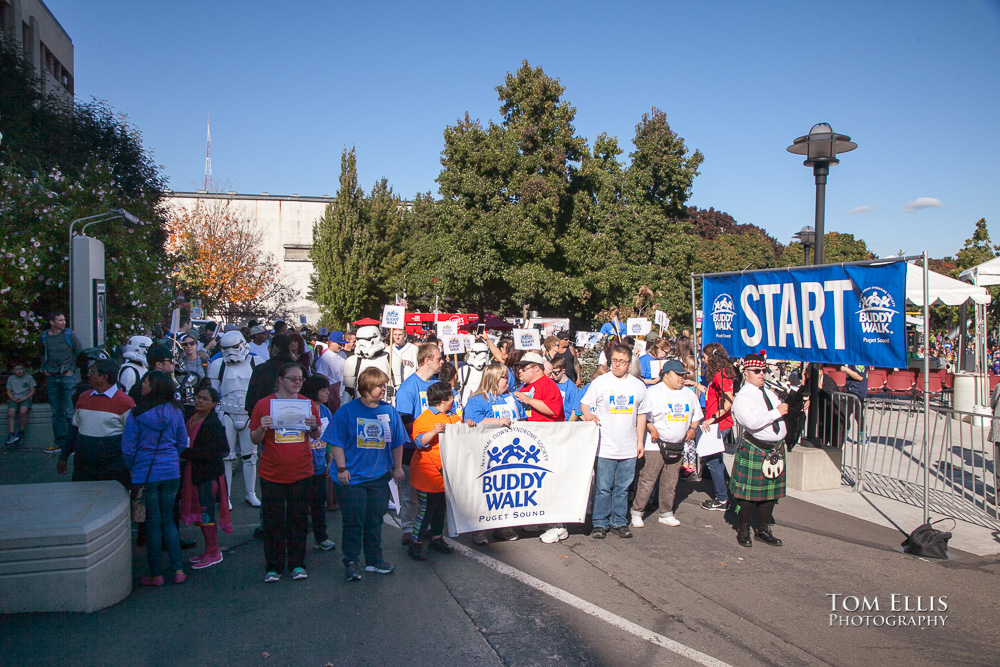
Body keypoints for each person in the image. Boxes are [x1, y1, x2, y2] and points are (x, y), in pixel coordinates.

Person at [324, 367, 407, 581]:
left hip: (379, 477)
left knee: (374, 519)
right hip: (353, 478)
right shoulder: (347, 411)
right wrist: (342, 468)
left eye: (384, 385)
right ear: (367, 387)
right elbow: (336, 442)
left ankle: (374, 560)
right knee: (353, 521)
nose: (384, 389)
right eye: (380, 386)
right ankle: (351, 562)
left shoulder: (389, 411)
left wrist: (397, 467)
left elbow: (397, 441)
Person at [249, 362, 322, 582]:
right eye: (293, 378)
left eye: (301, 379)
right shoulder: (264, 404)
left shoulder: (308, 404)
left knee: (298, 520)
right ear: (280, 379)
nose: (298, 382)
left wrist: (313, 426)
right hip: (272, 472)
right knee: (273, 522)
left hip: (301, 471)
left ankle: (297, 564)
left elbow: (317, 435)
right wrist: (262, 428)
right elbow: (253, 438)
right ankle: (274, 566)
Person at [122, 370, 188, 586]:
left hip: (145, 472)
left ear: (154, 386)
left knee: (152, 523)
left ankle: (156, 574)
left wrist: (133, 468)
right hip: (170, 470)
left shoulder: (136, 413)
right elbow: (181, 442)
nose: (142, 384)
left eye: (146, 381)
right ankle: (178, 570)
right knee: (169, 519)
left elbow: (129, 448)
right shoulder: (176, 411)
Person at [581, 344, 649, 540]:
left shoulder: (638, 386)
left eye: (622, 362)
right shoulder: (600, 382)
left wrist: (640, 442)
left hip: (628, 446)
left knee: (623, 487)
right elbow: (585, 403)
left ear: (629, 363)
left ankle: (619, 521)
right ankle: (599, 523)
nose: (617, 365)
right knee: (603, 488)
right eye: (615, 361)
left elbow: (642, 415)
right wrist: (588, 414)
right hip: (605, 446)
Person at [730, 353, 793, 548]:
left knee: (769, 494)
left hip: (775, 449)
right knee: (748, 496)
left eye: (763, 370)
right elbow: (751, 422)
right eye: (757, 371)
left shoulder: (770, 392)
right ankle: (743, 529)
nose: (761, 374)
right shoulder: (742, 397)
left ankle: (763, 529)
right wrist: (777, 412)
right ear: (746, 373)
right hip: (756, 447)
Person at [630, 360, 702, 528]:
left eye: (683, 375)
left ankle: (666, 512)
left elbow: (696, 414)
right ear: (666, 375)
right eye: (678, 375)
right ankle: (637, 511)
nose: (681, 378)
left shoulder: (688, 394)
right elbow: (642, 415)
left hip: (677, 444)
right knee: (647, 479)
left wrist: (692, 428)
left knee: (671, 480)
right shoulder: (653, 392)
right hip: (655, 445)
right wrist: (651, 428)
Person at [462, 363, 523, 544]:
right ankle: (480, 530)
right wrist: (498, 421)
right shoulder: (478, 399)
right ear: (494, 379)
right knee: (487, 492)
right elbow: (471, 421)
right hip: (488, 454)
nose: (508, 380)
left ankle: (503, 527)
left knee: (508, 491)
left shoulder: (511, 398)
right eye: (504, 377)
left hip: (511, 452)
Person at [512, 351, 567, 544]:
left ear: (537, 368)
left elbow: (554, 410)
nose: (519, 371)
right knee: (535, 481)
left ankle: (558, 526)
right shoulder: (526, 385)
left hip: (548, 440)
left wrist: (529, 400)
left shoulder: (548, 385)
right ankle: (539, 519)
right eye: (519, 368)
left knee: (550, 482)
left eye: (524, 368)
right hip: (531, 442)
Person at [394, 342, 444, 545]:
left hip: (435, 449)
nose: (443, 362)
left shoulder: (437, 384)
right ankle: (408, 528)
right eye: (439, 359)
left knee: (433, 492)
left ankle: (429, 527)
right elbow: (404, 420)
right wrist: (424, 432)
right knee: (410, 493)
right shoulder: (409, 386)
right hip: (412, 448)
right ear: (426, 360)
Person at [57, 358, 135, 487]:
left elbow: (132, 437)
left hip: (112, 470)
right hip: (83, 468)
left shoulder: (125, 403)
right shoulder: (83, 398)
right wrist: (63, 456)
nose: (88, 375)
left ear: (103, 377)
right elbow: (74, 429)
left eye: (92, 372)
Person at [209, 331, 265, 509]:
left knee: (250, 457)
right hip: (226, 413)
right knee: (227, 457)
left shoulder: (256, 362)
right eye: (226, 348)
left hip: (248, 414)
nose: (231, 352)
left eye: (234, 347)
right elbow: (212, 393)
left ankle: (250, 493)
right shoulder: (218, 365)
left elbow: (262, 392)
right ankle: (226, 496)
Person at [408, 381, 462, 561]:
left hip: (445, 474)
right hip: (427, 474)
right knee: (426, 510)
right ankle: (415, 543)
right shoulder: (424, 419)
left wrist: (468, 424)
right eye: (451, 396)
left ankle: (437, 538)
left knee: (440, 509)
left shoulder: (452, 417)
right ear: (443, 399)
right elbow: (418, 441)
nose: (454, 399)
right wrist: (433, 432)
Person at [179, 387, 231, 570]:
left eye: (205, 399)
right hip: (193, 474)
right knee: (202, 514)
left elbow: (218, 451)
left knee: (206, 513)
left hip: (207, 477)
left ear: (213, 404)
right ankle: (209, 549)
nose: (199, 401)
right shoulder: (192, 417)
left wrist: (186, 453)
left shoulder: (213, 424)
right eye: (198, 397)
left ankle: (213, 551)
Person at [693, 343, 735, 511]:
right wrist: (695, 385)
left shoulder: (721, 375)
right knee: (716, 460)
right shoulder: (718, 375)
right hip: (717, 423)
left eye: (704, 357)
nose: (703, 360)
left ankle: (722, 498)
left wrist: (712, 418)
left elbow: (729, 401)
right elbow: (712, 394)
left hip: (718, 424)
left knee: (713, 462)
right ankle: (725, 493)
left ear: (712, 357)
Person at [300, 374, 336, 552]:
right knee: (299, 508)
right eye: (323, 390)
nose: (327, 393)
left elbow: (329, 439)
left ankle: (321, 538)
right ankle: (296, 541)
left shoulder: (327, 412)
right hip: (301, 468)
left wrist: (329, 460)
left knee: (319, 505)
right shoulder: (301, 409)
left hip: (320, 467)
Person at [40, 312, 83, 453]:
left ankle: (73, 444)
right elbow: (42, 353)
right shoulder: (45, 336)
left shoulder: (69, 335)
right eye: (60, 320)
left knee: (70, 411)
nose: (63, 322)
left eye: (64, 319)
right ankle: (59, 442)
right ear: (52, 322)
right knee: (56, 411)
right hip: (52, 376)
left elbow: (79, 352)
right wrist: (44, 368)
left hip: (66, 375)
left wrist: (72, 369)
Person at [6, 362, 36, 446]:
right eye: (17, 369)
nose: (19, 371)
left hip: (25, 398)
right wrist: (13, 398)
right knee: (11, 413)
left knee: (23, 411)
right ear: (13, 371)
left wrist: (25, 398)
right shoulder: (11, 379)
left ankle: (21, 432)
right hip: (14, 398)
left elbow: (32, 390)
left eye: (21, 369)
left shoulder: (29, 378)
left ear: (25, 370)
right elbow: (8, 391)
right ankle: (11, 433)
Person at [548, 357, 581, 422]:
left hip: (564, 422)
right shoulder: (551, 383)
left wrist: (567, 426)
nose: (552, 375)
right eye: (551, 373)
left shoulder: (572, 389)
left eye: (555, 373)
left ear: (563, 371)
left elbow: (574, 413)